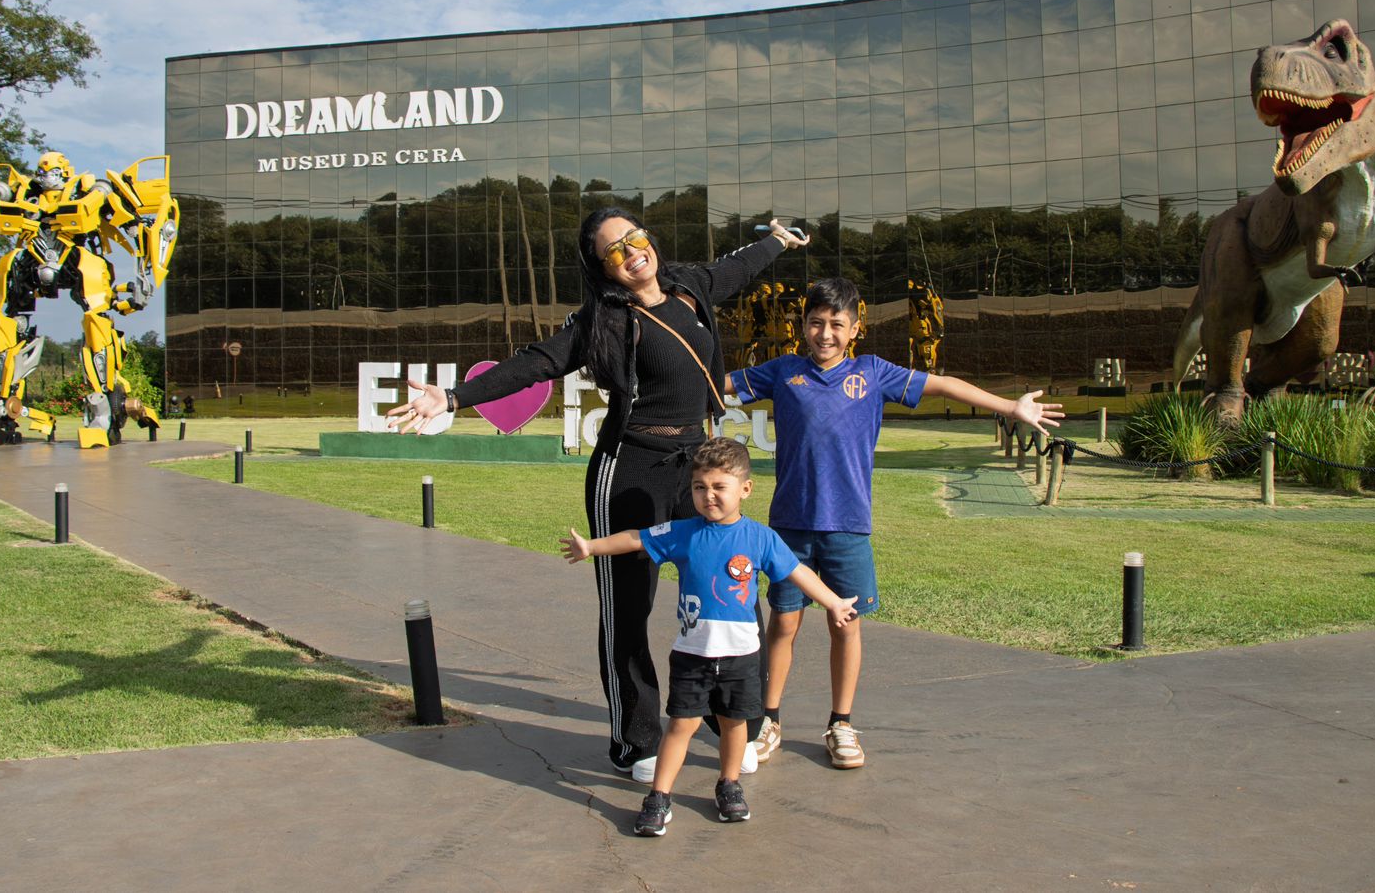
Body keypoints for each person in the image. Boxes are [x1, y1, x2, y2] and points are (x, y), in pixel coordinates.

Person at [388, 208, 808, 782]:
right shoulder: (603, 320)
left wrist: (778, 242)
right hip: (630, 469)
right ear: (602, 267)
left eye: (634, 239)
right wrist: (454, 398)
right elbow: (534, 363)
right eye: (614, 250)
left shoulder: (691, 287)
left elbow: (737, 267)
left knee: (731, 588)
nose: (631, 252)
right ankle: (635, 741)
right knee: (629, 612)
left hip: (698, 469)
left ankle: (729, 714)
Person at [727, 277, 1062, 771]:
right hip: (789, 529)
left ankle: (841, 723)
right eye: (816, 323)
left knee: (846, 624)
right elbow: (721, 383)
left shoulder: (874, 373)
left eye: (836, 325)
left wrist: (1011, 406)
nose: (825, 334)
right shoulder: (784, 372)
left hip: (848, 528)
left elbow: (944, 385)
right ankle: (768, 720)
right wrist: (657, 376)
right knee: (784, 623)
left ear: (855, 328)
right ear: (802, 325)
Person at [560, 437, 857, 836]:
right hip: (692, 655)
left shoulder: (760, 538)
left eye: (720, 487)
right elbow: (636, 538)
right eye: (700, 487)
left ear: (745, 490)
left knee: (735, 726)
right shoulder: (682, 533)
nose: (709, 496)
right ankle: (659, 797)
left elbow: (797, 572)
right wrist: (591, 547)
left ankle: (729, 785)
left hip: (741, 658)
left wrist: (834, 602)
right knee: (681, 725)